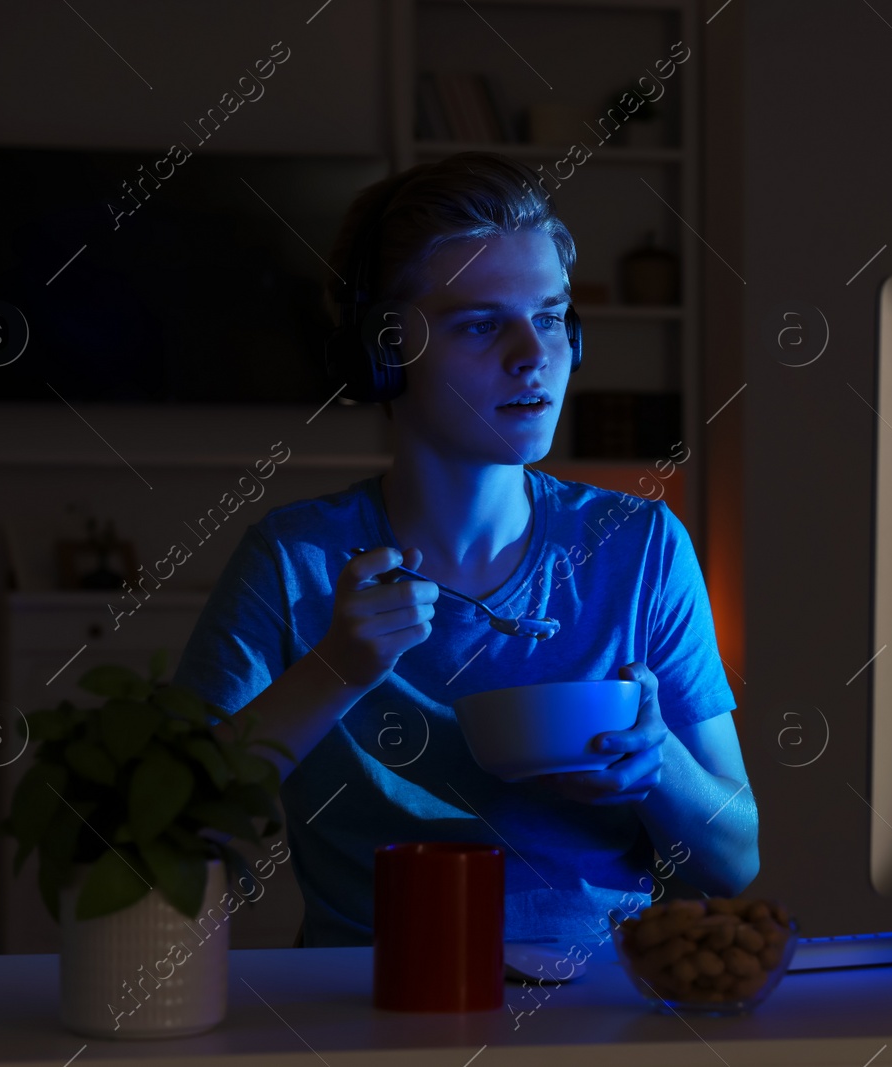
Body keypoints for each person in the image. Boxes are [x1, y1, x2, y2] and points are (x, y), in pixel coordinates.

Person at [173, 151, 756, 947]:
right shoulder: (293, 557)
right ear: (383, 354)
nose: (533, 354)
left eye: (550, 317)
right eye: (482, 323)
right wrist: (335, 669)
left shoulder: (643, 546)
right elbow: (177, 819)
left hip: (596, 1012)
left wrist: (660, 769)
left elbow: (734, 861)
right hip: (366, 1009)